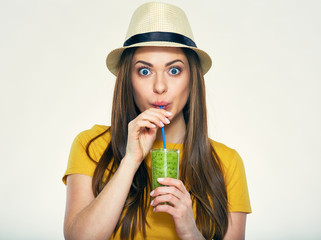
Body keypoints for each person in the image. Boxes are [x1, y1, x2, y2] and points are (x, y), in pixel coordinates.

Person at [62, 2, 251, 240]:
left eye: (174, 71)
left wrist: (190, 232)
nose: (159, 87)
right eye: (144, 71)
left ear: (192, 78)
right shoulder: (92, 146)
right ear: (127, 80)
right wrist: (130, 161)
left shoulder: (226, 162)